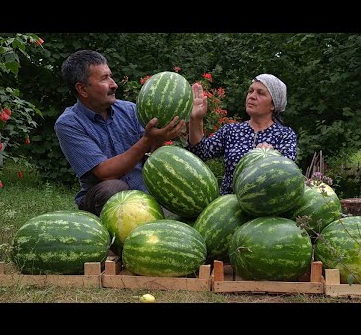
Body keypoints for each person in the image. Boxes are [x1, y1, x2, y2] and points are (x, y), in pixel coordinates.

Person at [55, 50, 185, 216]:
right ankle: (106, 232)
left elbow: (150, 156)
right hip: (105, 197)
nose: (114, 84)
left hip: (144, 192)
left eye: (110, 76)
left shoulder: (130, 110)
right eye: (104, 78)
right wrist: (147, 139)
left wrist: (159, 138)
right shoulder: (69, 124)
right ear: (82, 89)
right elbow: (105, 173)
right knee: (114, 188)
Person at [188, 73, 297, 195]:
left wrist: (271, 158)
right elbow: (201, 152)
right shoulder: (232, 131)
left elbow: (288, 173)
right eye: (250, 91)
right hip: (229, 205)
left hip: (264, 207)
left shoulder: (285, 135)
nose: (252, 96)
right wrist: (196, 119)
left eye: (260, 93)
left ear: (273, 104)